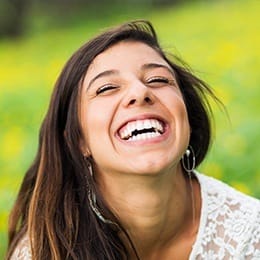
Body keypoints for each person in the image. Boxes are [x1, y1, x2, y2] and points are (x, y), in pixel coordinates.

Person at [6, 20, 260, 260]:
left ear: (188, 118)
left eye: (157, 79)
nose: (141, 92)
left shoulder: (250, 234)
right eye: (106, 88)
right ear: (77, 140)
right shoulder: (43, 250)